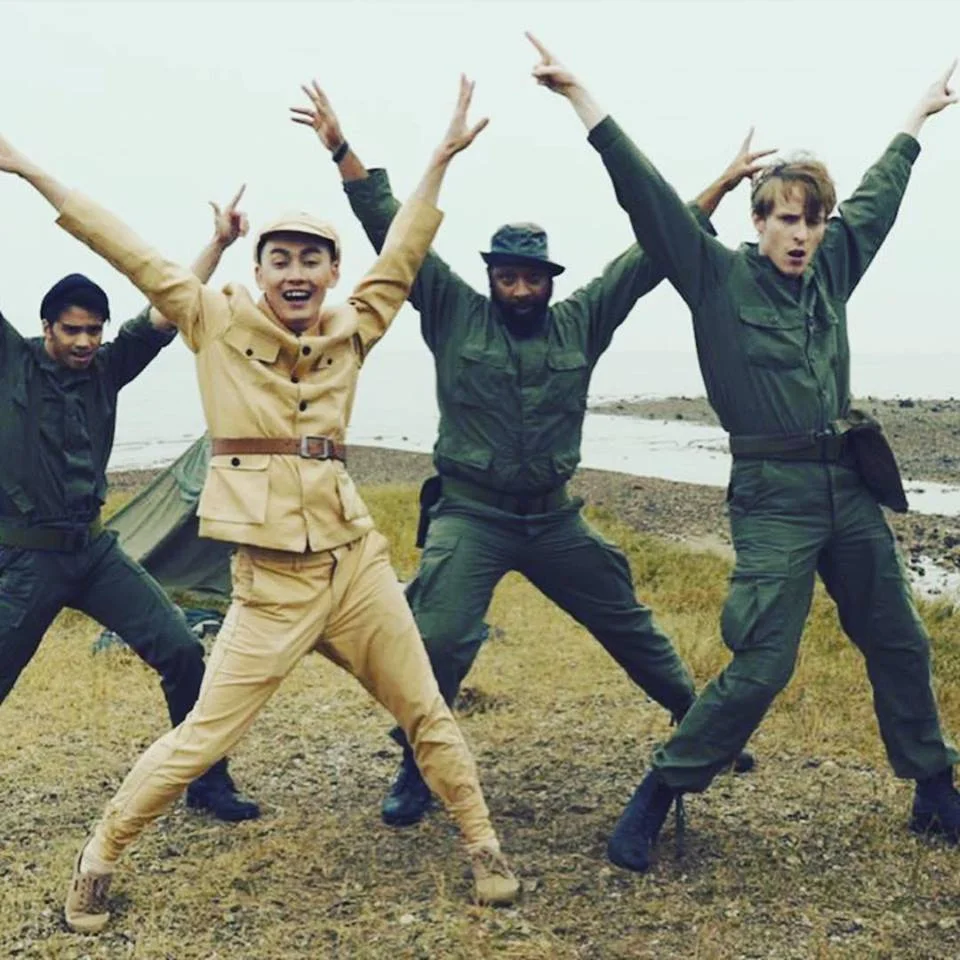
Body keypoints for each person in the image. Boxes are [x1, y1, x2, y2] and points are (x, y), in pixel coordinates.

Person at [0, 76, 521, 932]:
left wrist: (437, 158)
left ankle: (483, 844)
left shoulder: (356, 325)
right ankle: (99, 857)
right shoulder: (210, 319)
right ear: (259, 270)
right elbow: (124, 246)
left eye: (311, 259)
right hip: (271, 583)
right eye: (280, 259)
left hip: (354, 565)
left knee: (425, 707)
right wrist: (26, 168)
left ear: (332, 272)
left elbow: (406, 251)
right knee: (202, 736)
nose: (296, 272)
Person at [289, 56, 761, 829]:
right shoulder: (452, 308)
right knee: (437, 637)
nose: (519, 290)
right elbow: (394, 231)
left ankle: (701, 724)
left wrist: (720, 186)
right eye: (507, 278)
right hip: (471, 514)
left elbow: (651, 254)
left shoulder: (581, 321)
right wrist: (343, 150)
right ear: (492, 277)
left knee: (626, 620)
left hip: (553, 517)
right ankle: (416, 760)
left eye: (531, 279)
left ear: (548, 280)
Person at [529, 40, 960, 872]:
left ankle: (934, 788)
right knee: (763, 662)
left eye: (813, 219)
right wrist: (582, 98)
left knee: (900, 639)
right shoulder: (714, 278)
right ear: (757, 222)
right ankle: (663, 788)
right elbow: (648, 198)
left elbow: (880, 197)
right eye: (786, 219)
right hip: (772, 494)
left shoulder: (832, 270)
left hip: (848, 484)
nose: (801, 234)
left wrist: (917, 119)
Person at [0, 185, 260, 823]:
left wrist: (220, 243)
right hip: (26, 561)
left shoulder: (108, 369)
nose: (84, 341)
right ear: (46, 327)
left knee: (183, 651)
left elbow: (169, 306)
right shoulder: (12, 364)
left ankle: (206, 781)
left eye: (94, 330)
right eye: (72, 330)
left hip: (94, 551)